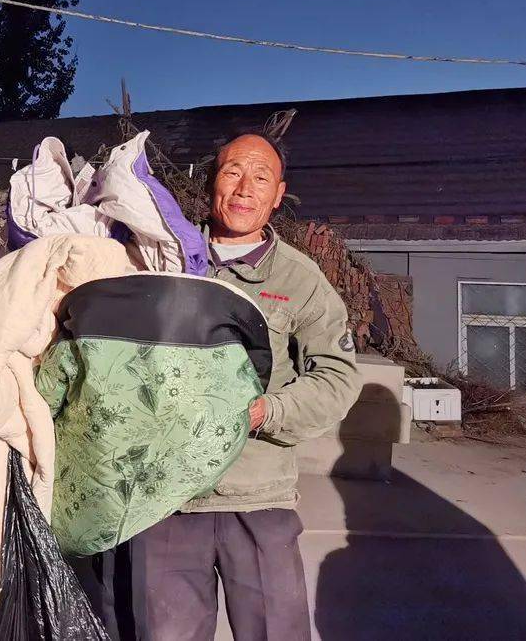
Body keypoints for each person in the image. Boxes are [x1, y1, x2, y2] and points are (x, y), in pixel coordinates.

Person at [88, 133, 360, 641]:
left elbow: (337, 376)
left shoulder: (300, 279)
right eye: (232, 172)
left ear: (278, 194)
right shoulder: (161, 257)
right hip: (165, 499)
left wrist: (265, 412)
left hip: (258, 498)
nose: (244, 188)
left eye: (260, 177)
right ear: (212, 182)